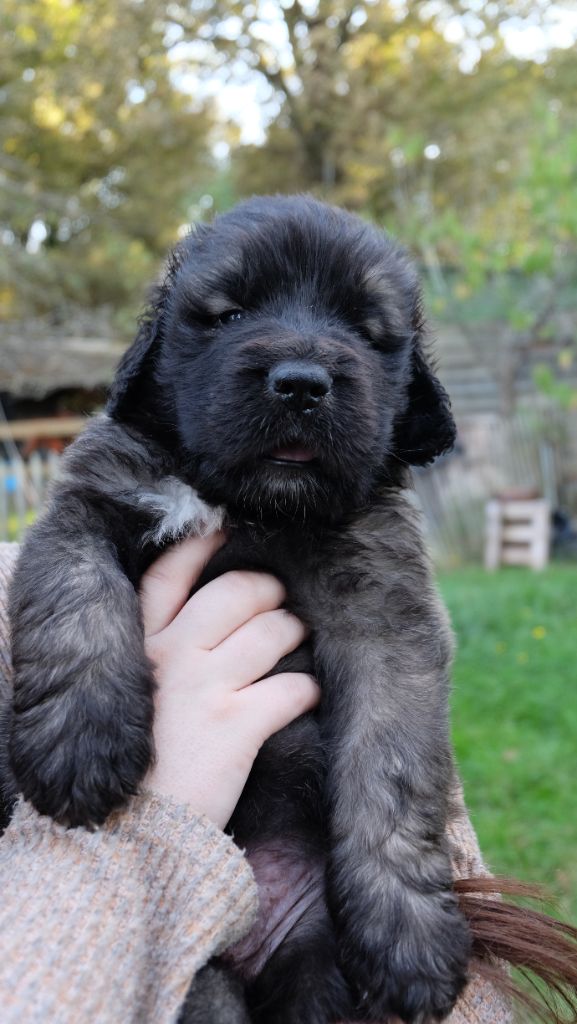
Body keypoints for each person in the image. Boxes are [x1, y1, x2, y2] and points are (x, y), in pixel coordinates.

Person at [0, 538, 511, 1023]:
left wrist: (397, 879)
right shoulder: (57, 571)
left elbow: (448, 975)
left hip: (318, 910)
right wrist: (134, 834)